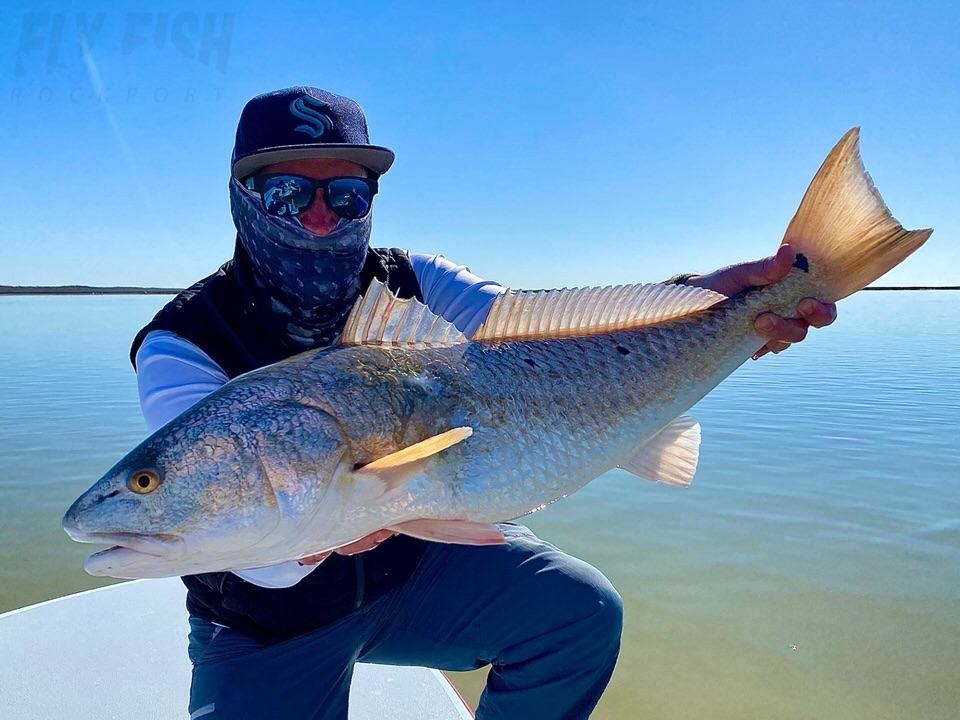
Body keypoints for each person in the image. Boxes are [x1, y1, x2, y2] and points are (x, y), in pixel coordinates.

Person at [131, 87, 836, 720]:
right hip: (264, 624)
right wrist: (353, 499)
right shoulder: (182, 343)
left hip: (413, 568)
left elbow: (540, 326)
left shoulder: (414, 280)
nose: (321, 219)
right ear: (243, 195)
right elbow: (260, 556)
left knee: (578, 614)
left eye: (346, 196)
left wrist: (714, 303)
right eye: (289, 193)